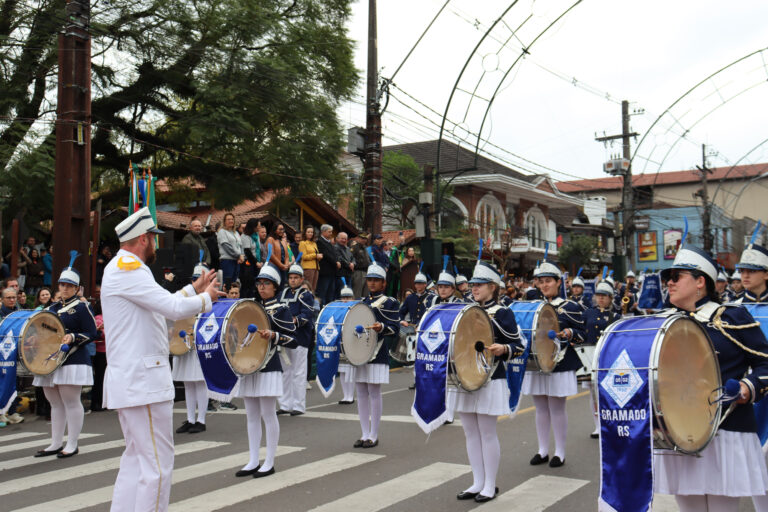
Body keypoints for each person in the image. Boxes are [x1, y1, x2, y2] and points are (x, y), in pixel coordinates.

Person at [102, 207, 222, 512]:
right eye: (154, 239)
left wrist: (192, 289)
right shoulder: (130, 269)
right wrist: (206, 298)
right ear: (143, 239)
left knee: (136, 460)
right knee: (157, 464)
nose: (156, 245)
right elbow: (170, 309)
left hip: (133, 381)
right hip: (143, 382)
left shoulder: (122, 268)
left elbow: (158, 304)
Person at [654, 239, 768, 511]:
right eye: (668, 278)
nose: (669, 283)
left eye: (676, 277)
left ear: (699, 282)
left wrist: (745, 388)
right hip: (678, 432)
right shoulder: (661, 322)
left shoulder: (731, 317)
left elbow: (766, 364)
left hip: (726, 431)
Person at [452, 260, 523, 503]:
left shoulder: (503, 312)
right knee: (470, 432)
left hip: (491, 376)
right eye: (473, 284)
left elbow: (519, 346)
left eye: (480, 284)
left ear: (493, 286)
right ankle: (477, 482)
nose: (474, 288)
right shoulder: (464, 310)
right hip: (465, 376)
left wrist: (504, 348)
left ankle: (490, 485)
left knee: (487, 431)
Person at [32, 252, 98, 458]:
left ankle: (72, 443)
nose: (65, 288)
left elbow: (92, 333)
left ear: (77, 288)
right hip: (50, 361)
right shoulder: (51, 308)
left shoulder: (81, 307)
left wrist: (73, 337)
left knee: (71, 401)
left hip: (73, 359)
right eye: (62, 285)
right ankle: (55, 442)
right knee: (54, 402)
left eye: (70, 286)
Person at [235, 262, 296, 478]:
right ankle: (253, 460)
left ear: (275, 287)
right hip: (249, 365)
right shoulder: (251, 307)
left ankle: (269, 461)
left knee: (268, 414)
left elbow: (292, 339)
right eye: (260, 283)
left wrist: (273, 335)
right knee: (251, 415)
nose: (262, 287)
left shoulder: (282, 309)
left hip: (269, 364)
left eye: (266, 284)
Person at [522, 259, 585, 468]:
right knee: (539, 407)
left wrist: (569, 333)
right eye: (541, 281)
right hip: (537, 361)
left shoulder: (570, 307)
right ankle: (542, 450)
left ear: (559, 282)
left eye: (549, 281)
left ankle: (560, 451)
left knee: (557, 408)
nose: (544, 285)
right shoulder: (534, 306)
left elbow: (584, 334)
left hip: (560, 361)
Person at [355, 263, 399, 448]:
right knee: (361, 393)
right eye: (370, 280)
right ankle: (364, 433)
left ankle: (374, 434)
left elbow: (395, 328)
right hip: (359, 351)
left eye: (376, 280)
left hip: (377, 350)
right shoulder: (361, 303)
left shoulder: (390, 302)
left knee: (373, 392)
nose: (372, 283)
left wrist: (382, 327)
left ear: (383, 283)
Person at [172, 262, 212, 435]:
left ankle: (201, 420)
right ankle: (190, 419)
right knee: (188, 383)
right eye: (196, 280)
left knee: (200, 383)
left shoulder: (209, 300)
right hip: (184, 345)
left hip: (200, 346)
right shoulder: (186, 299)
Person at [581, 279, 619, 438]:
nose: (601, 298)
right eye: (598, 295)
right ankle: (598, 425)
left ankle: (611, 423)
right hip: (590, 356)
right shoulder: (588, 312)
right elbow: (582, 333)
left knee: (610, 392)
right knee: (593, 393)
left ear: (610, 298)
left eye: (604, 296)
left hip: (608, 356)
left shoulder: (616, 316)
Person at [277, 259, 315, 416]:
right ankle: (285, 404)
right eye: (291, 277)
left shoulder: (306, 295)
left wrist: (293, 320)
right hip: (285, 338)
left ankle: (298, 405)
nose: (292, 280)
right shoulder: (282, 293)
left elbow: (307, 315)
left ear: (301, 279)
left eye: (296, 278)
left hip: (300, 337)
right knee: (285, 372)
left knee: (298, 372)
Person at [337, 283, 357, 404]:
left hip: (352, 342)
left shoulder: (356, 309)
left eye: (348, 297)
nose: (345, 300)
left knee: (350, 370)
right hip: (340, 343)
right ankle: (345, 395)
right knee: (342, 370)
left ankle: (350, 395)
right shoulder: (337, 309)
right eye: (343, 297)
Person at [218, 212, 244, 289]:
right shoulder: (222, 232)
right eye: (228, 219)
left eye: (232, 219)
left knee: (234, 284)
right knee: (227, 285)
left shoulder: (235, 233)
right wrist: (238, 256)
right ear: (224, 221)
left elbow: (241, 246)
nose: (231, 221)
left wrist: (242, 255)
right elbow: (226, 246)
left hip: (237, 261)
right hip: (227, 261)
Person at [316, 224, 339, 306]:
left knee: (330, 294)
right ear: (323, 232)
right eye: (329, 232)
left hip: (332, 272)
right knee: (323, 294)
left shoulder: (329, 243)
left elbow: (334, 254)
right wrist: (335, 262)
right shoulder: (319, 242)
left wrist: (337, 261)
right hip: (324, 272)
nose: (331, 233)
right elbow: (326, 255)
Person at [265, 222, 291, 288]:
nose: (282, 231)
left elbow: (287, 256)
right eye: (280, 229)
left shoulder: (283, 241)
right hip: (274, 267)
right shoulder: (270, 239)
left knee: (282, 286)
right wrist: (281, 265)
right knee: (275, 286)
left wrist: (286, 265)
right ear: (275, 230)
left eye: (283, 229)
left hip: (283, 268)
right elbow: (271, 254)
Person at [240, 219, 260, 298]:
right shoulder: (245, 236)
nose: (259, 228)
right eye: (258, 226)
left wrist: (259, 261)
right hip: (248, 264)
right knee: (247, 285)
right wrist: (255, 262)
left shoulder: (255, 235)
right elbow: (247, 251)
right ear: (253, 227)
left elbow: (257, 249)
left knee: (254, 286)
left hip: (256, 262)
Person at [299, 225, 320, 292]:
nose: (310, 233)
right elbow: (303, 256)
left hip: (316, 267)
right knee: (308, 287)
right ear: (305, 233)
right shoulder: (302, 243)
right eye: (308, 232)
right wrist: (315, 255)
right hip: (308, 268)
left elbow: (316, 255)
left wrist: (318, 257)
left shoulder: (314, 243)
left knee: (313, 288)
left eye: (312, 232)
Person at [335, 232, 354, 300]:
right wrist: (349, 264)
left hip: (349, 274)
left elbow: (353, 258)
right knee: (342, 293)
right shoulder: (335, 248)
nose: (344, 240)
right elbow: (340, 258)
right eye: (342, 238)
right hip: (341, 274)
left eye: (345, 239)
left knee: (349, 293)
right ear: (337, 239)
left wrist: (353, 263)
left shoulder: (348, 249)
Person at [350, 234, 370, 298]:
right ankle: (356, 306)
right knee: (357, 292)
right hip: (358, 272)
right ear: (358, 238)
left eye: (365, 239)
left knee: (365, 293)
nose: (364, 240)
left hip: (366, 272)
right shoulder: (354, 247)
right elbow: (351, 258)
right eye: (362, 238)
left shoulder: (365, 248)